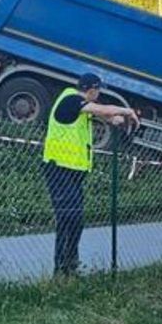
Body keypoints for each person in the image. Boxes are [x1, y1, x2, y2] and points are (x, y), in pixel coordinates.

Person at [42, 73, 139, 276]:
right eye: (98, 90)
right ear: (92, 89)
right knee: (68, 217)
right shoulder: (71, 99)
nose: (99, 93)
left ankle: (70, 264)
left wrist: (115, 119)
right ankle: (61, 269)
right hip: (59, 168)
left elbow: (100, 113)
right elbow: (101, 109)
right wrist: (127, 111)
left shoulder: (80, 105)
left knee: (76, 219)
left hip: (73, 171)